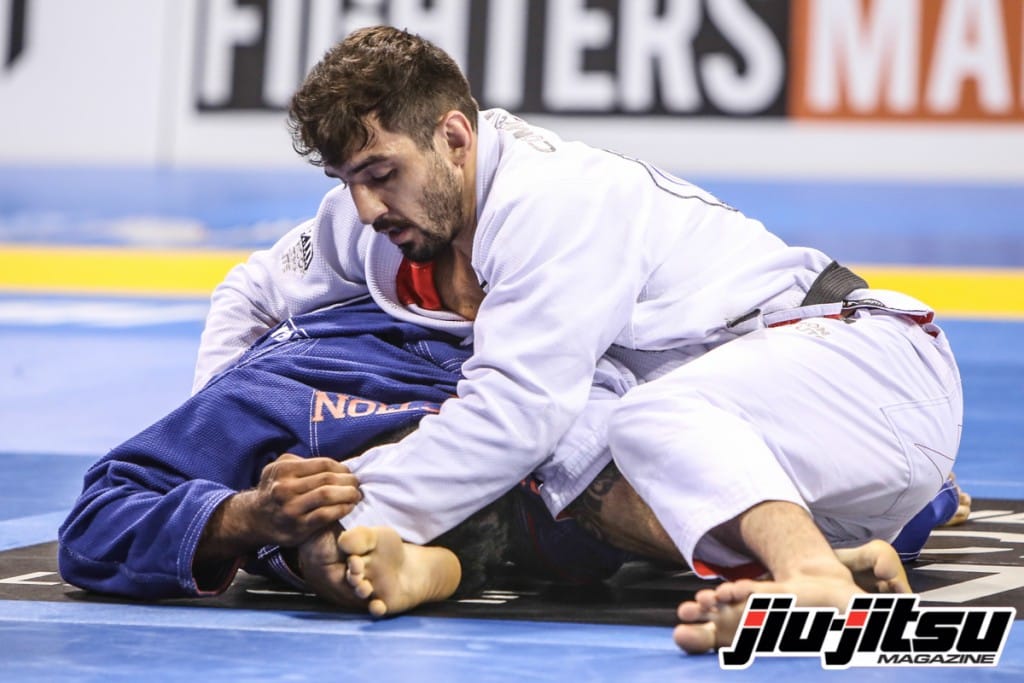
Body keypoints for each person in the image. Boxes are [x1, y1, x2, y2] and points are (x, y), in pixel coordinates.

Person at [192, 26, 963, 652]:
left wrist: (341, 520)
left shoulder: (551, 203)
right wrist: (208, 440)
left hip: (868, 362)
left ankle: (811, 579)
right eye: (346, 181)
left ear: (455, 137)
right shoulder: (378, 224)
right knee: (577, 441)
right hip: (800, 440)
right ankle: (849, 549)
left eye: (380, 173)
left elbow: (512, 414)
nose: (363, 207)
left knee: (625, 418)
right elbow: (252, 290)